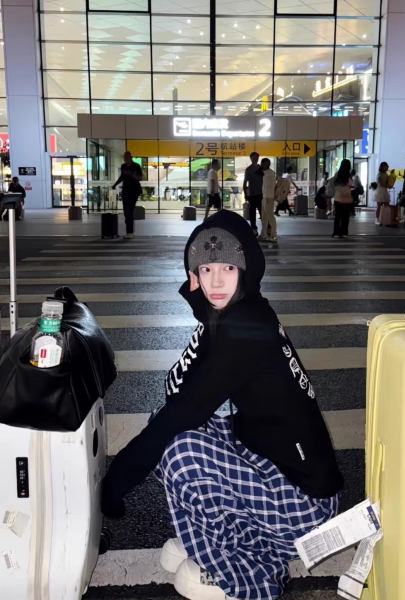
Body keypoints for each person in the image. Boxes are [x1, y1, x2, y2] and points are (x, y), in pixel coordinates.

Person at [101, 210, 343, 600]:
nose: (215, 282)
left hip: (303, 508)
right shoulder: (240, 312)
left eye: (228, 267)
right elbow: (182, 384)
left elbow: (182, 412)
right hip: (273, 460)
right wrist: (198, 300)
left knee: (180, 450)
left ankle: (250, 571)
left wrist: (114, 485)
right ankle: (215, 538)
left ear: (245, 269)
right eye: (206, 268)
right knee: (173, 429)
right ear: (195, 273)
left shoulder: (246, 331)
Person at [112, 151, 143, 239]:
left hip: (134, 191)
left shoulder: (136, 166)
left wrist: (131, 174)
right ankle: (129, 231)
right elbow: (122, 177)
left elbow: (140, 178)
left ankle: (130, 231)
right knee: (126, 211)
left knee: (130, 210)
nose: (126, 159)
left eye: (127, 157)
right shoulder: (123, 166)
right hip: (125, 190)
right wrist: (115, 184)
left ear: (130, 157)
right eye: (124, 158)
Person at [329, 159, 353, 239]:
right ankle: (344, 232)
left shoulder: (337, 175)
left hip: (338, 197)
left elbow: (333, 184)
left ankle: (336, 232)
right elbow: (351, 185)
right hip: (347, 198)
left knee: (338, 216)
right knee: (346, 216)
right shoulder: (348, 176)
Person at [258, 157, 278, 243]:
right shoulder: (268, 172)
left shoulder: (269, 173)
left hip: (269, 197)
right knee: (264, 217)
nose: (262, 165)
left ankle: (273, 235)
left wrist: (261, 167)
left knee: (270, 217)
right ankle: (263, 234)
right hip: (265, 197)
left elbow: (257, 172)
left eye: (263, 163)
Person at [243, 152, 263, 235]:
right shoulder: (248, 169)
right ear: (250, 158)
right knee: (252, 213)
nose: (255, 159)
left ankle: (265, 229)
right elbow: (245, 182)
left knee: (262, 212)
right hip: (252, 194)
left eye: (256, 157)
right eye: (253, 157)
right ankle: (254, 228)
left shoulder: (261, 168)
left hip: (261, 194)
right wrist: (245, 194)